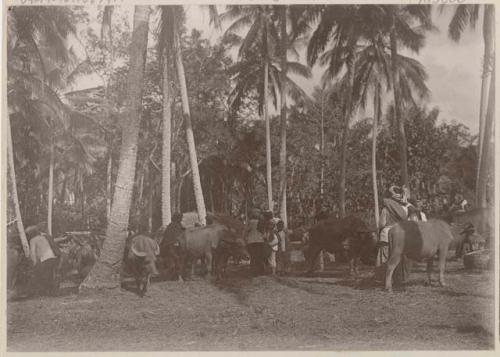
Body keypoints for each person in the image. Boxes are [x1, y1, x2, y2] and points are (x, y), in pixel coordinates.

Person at [376, 185, 411, 284]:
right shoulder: (403, 210)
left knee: (385, 257)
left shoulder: (385, 210)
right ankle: (398, 278)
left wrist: (378, 228)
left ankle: (384, 278)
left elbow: (382, 224)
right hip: (400, 235)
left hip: (386, 234)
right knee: (397, 256)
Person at [27, 225, 59, 296]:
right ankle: (51, 292)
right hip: (52, 257)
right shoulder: (43, 237)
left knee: (42, 276)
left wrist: (34, 263)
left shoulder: (32, 240)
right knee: (50, 275)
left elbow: (33, 253)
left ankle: (44, 292)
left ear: (30, 234)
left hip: (44, 259)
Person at [245, 209, 267, 276]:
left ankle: (254, 272)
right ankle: (261, 272)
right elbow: (264, 233)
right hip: (260, 241)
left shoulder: (250, 222)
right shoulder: (262, 222)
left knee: (253, 257)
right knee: (259, 257)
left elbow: (246, 231)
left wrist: (244, 238)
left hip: (251, 242)